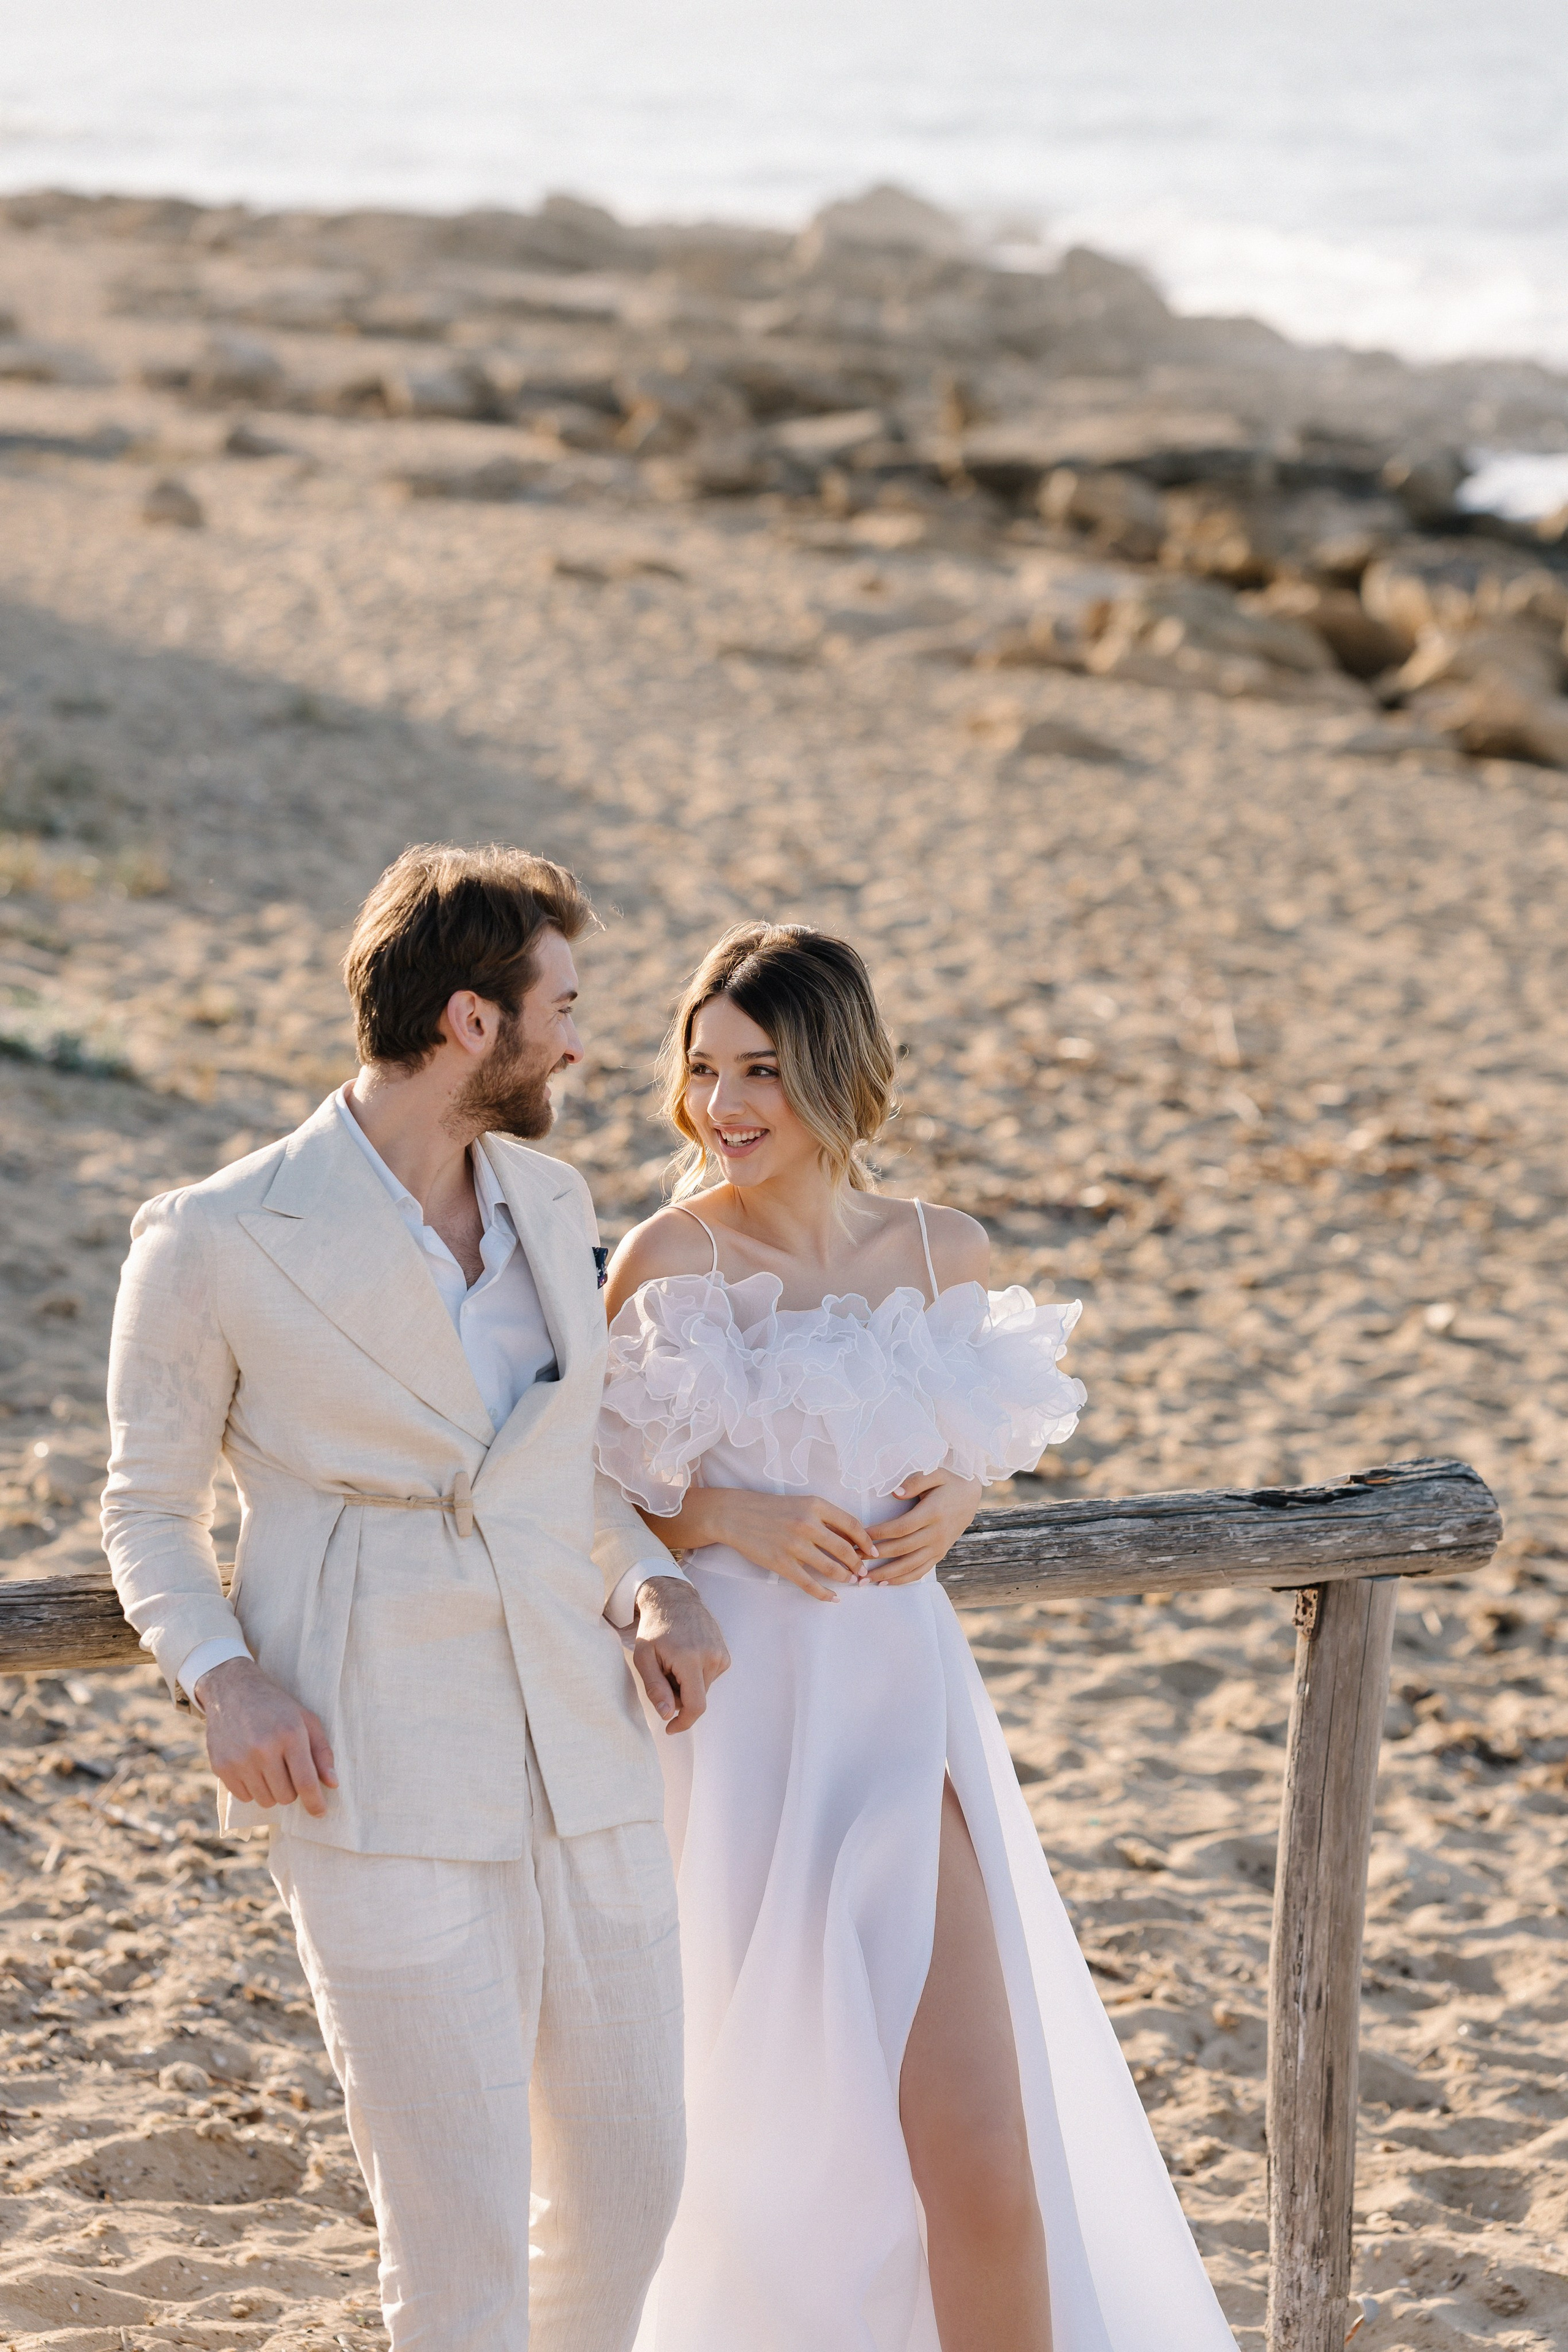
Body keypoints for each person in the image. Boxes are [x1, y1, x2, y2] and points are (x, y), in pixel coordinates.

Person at [100, 843, 729, 2352]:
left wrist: (649, 1581)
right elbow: (145, 1508)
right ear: (469, 1021)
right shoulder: (215, 1235)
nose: (577, 1046)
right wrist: (222, 1676)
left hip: (582, 1743)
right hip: (373, 1761)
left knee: (632, 2189)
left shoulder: (549, 1196)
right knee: (458, 2235)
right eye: (561, 1009)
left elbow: (563, 1467)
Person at [597, 923, 1238, 2352]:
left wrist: (961, 1490)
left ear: (836, 1070)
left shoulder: (944, 1252)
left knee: (984, 2163)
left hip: (900, 1719)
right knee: (773, 2168)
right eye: (702, 1069)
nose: (722, 1105)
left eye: (760, 1070)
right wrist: (725, 1517)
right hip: (735, 1741)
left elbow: (967, 1437)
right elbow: (579, 1496)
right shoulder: (669, 1258)